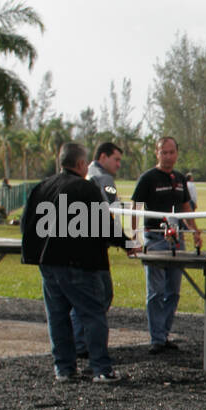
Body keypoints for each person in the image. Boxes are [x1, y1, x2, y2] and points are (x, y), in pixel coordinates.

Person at [20, 142, 125, 384]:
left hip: (48, 263)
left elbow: (27, 225)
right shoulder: (85, 189)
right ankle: (101, 368)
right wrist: (128, 244)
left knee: (57, 316)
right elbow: (104, 225)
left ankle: (64, 369)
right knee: (92, 315)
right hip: (79, 263)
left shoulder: (41, 187)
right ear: (80, 164)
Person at [131, 137, 201, 353]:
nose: (168, 156)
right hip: (155, 238)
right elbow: (135, 206)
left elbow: (185, 206)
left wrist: (194, 230)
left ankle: (164, 333)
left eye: (172, 152)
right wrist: (133, 238)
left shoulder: (180, 179)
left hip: (177, 239)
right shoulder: (148, 178)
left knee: (173, 291)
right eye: (164, 152)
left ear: (177, 153)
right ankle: (156, 338)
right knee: (156, 290)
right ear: (157, 153)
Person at [74, 142, 123, 359]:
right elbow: (110, 210)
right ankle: (82, 343)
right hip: (94, 247)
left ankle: (79, 341)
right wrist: (124, 240)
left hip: (75, 244)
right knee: (100, 295)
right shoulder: (103, 179)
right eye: (116, 159)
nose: (119, 165)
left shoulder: (87, 176)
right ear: (103, 157)